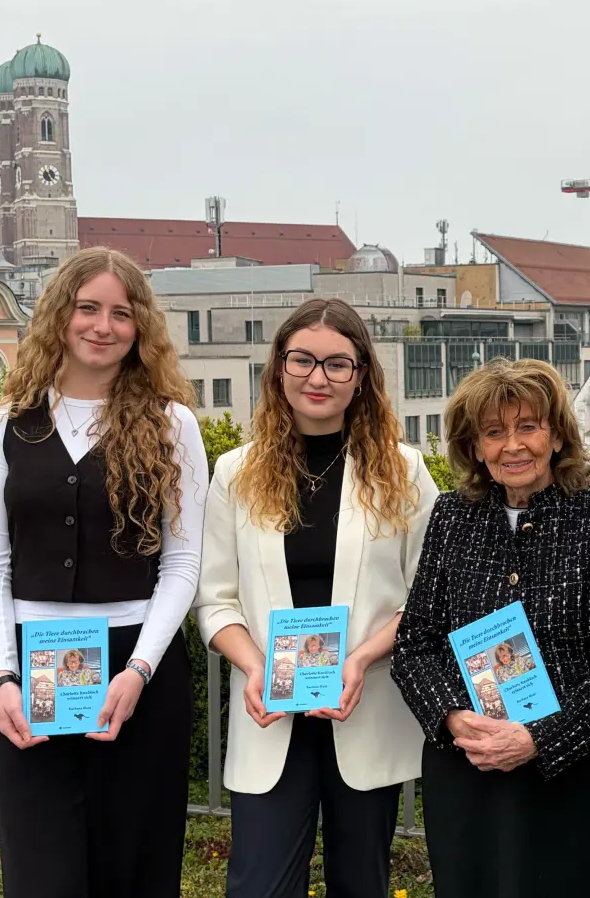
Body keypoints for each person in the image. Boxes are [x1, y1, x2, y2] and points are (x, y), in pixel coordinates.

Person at [0, 246, 208, 897]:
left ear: (139, 328)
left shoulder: (172, 423)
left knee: (133, 867)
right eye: (88, 308)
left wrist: (139, 671)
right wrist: (2, 678)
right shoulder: (5, 424)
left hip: (137, 668)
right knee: (43, 872)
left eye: (121, 313)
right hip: (22, 669)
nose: (103, 326)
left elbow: (183, 562)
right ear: (59, 316)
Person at [192, 298, 439, 898]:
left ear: (361, 377)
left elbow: (426, 598)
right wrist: (254, 668)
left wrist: (359, 660)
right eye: (303, 360)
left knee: (362, 884)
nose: (317, 378)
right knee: (259, 885)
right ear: (279, 368)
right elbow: (215, 600)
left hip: (364, 705)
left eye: (337, 364)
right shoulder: (235, 473)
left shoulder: (402, 473)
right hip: (268, 713)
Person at [392, 358, 590, 898]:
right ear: (475, 447)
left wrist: (537, 739)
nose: (513, 445)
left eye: (528, 427)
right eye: (494, 433)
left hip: (570, 772)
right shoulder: (452, 516)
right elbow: (416, 642)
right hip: (467, 763)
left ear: (557, 436)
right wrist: (453, 719)